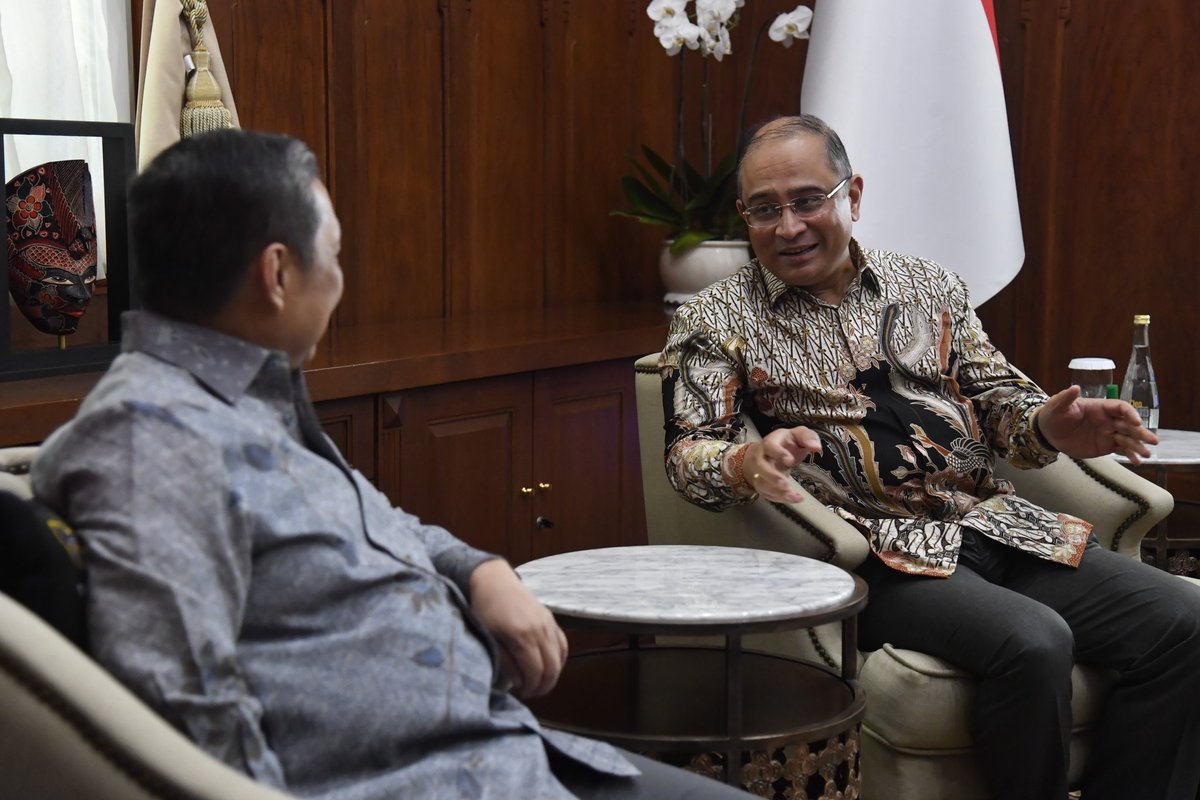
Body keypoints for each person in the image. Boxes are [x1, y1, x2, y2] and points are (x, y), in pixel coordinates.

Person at [31, 129, 750, 800]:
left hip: (499, 748)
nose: (340, 280)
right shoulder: (149, 442)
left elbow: (371, 522)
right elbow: (185, 722)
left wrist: (478, 568)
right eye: (335, 255)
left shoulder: (247, 396)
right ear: (277, 273)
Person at [659, 114, 1200, 800]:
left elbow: (1003, 407)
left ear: (851, 194)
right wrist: (745, 462)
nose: (788, 226)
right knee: (1033, 642)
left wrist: (1052, 426)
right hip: (880, 555)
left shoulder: (930, 287)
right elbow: (686, 452)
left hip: (998, 526)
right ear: (744, 216)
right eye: (765, 210)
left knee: (1183, 625)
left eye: (806, 201)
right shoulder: (716, 318)